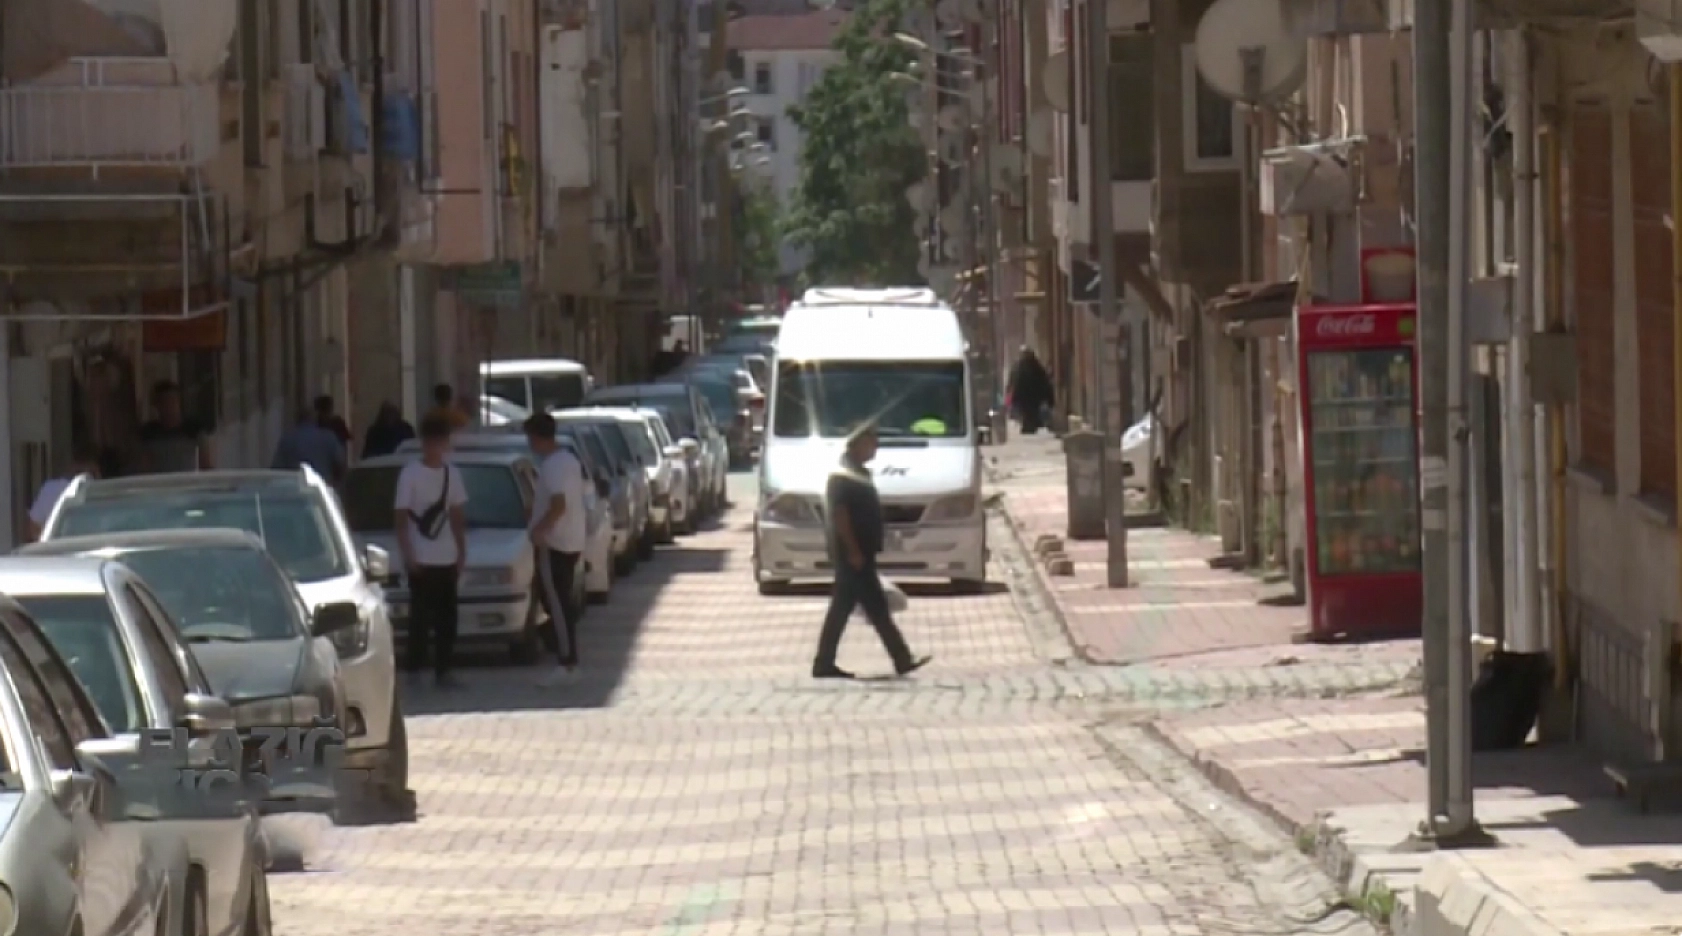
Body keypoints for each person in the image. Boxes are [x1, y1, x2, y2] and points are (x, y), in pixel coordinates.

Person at [811, 423, 931, 680]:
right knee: (875, 609)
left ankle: (825, 662)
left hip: (860, 551)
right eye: (871, 442)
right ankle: (901, 659)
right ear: (856, 444)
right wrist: (853, 550)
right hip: (852, 553)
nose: (875, 448)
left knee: (846, 609)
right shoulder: (842, 475)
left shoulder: (858, 473)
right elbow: (840, 514)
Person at [393, 414, 469, 689]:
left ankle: (444, 669)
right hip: (421, 557)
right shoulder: (410, 473)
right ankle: (414, 668)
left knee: (447, 618)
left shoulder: (452, 473)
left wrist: (461, 552)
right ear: (424, 444)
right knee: (420, 618)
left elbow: (458, 514)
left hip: (446, 555)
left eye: (441, 442)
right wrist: (408, 554)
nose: (436, 448)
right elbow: (401, 517)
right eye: (432, 442)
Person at [523, 412, 588, 687]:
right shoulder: (570, 461)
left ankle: (567, 661)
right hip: (571, 540)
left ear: (538, 438)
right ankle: (560, 645)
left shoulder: (553, 466)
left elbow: (559, 504)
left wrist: (540, 529)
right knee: (556, 600)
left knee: (556, 602)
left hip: (555, 542)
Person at [138, 380, 213, 472]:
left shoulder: (194, 429)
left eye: (173, 401)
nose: (169, 407)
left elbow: (206, 466)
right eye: (164, 402)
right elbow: (144, 469)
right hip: (160, 484)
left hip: (186, 484)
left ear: (179, 402)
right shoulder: (148, 433)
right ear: (156, 405)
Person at [27, 444, 100, 541]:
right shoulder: (98, 491)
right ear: (94, 467)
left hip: (55, 550)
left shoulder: (50, 489)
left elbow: (33, 528)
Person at [272, 399, 348, 483]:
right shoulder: (328, 437)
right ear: (314, 418)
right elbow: (340, 464)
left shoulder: (287, 439)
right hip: (322, 487)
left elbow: (277, 469)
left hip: (295, 487)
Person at [1006, 346, 1054, 435]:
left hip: (1025, 397)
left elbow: (1014, 382)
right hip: (1033, 397)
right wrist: (1049, 399)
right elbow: (1045, 382)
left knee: (1028, 412)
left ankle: (1030, 425)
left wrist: (1013, 396)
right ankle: (1031, 424)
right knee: (1031, 412)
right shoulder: (1035, 366)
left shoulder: (1020, 367)